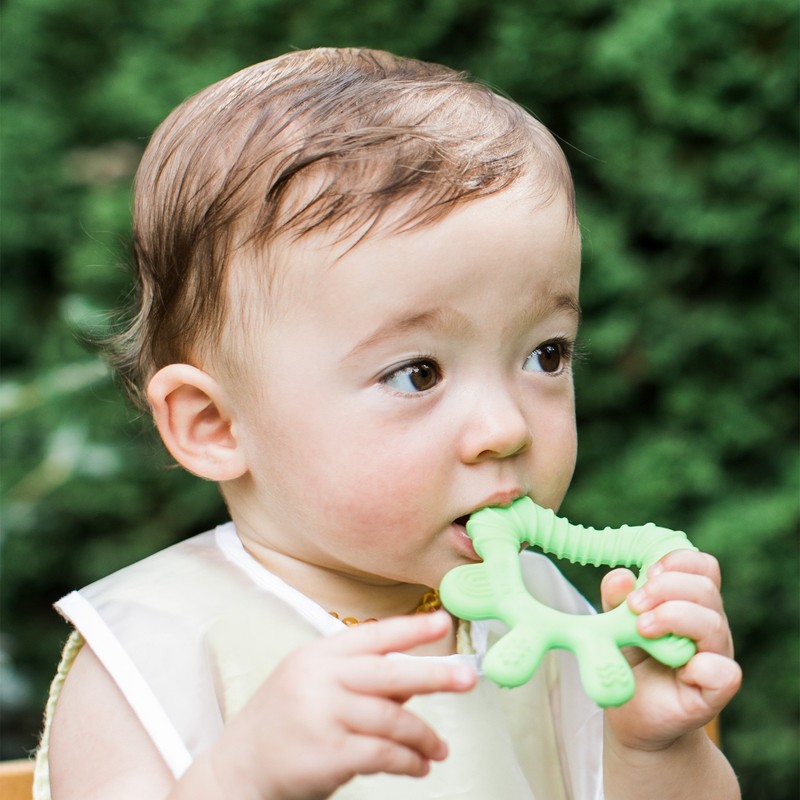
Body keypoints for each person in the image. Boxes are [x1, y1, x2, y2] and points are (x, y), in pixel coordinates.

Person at [35, 47, 742, 800]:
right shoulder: (153, 647)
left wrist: (655, 748)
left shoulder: (540, 611)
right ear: (215, 423)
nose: (505, 428)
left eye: (545, 354)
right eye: (418, 374)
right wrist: (243, 779)